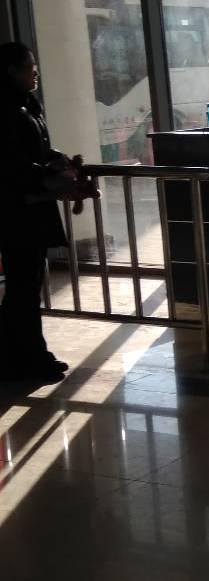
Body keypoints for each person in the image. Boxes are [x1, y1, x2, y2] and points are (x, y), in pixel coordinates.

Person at [0, 42, 93, 383]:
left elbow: (34, 149)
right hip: (18, 210)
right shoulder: (7, 110)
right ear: (11, 72)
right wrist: (47, 175)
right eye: (29, 67)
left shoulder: (26, 105)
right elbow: (11, 163)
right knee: (24, 286)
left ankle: (25, 354)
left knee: (27, 284)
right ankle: (27, 358)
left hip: (32, 207)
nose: (35, 72)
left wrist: (56, 159)